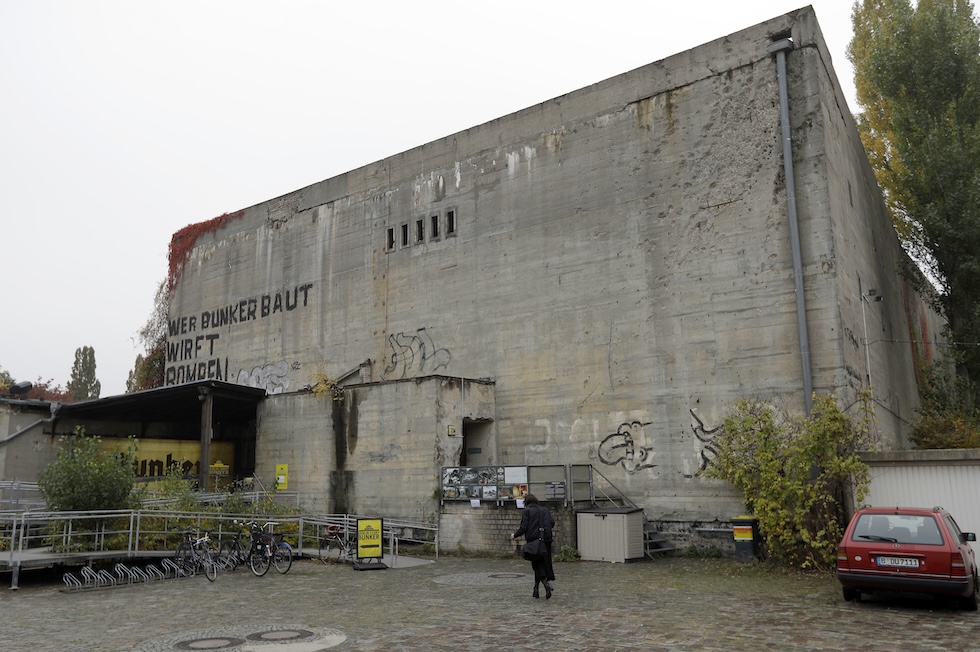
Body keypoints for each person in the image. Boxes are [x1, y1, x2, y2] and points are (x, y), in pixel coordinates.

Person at [511, 494, 556, 599]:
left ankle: (545, 584)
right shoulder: (544, 510)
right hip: (546, 541)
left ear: (526, 502)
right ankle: (536, 589)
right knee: (544, 564)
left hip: (533, 542)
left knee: (536, 565)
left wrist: (515, 535)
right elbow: (552, 522)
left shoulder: (527, 511)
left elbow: (524, 527)